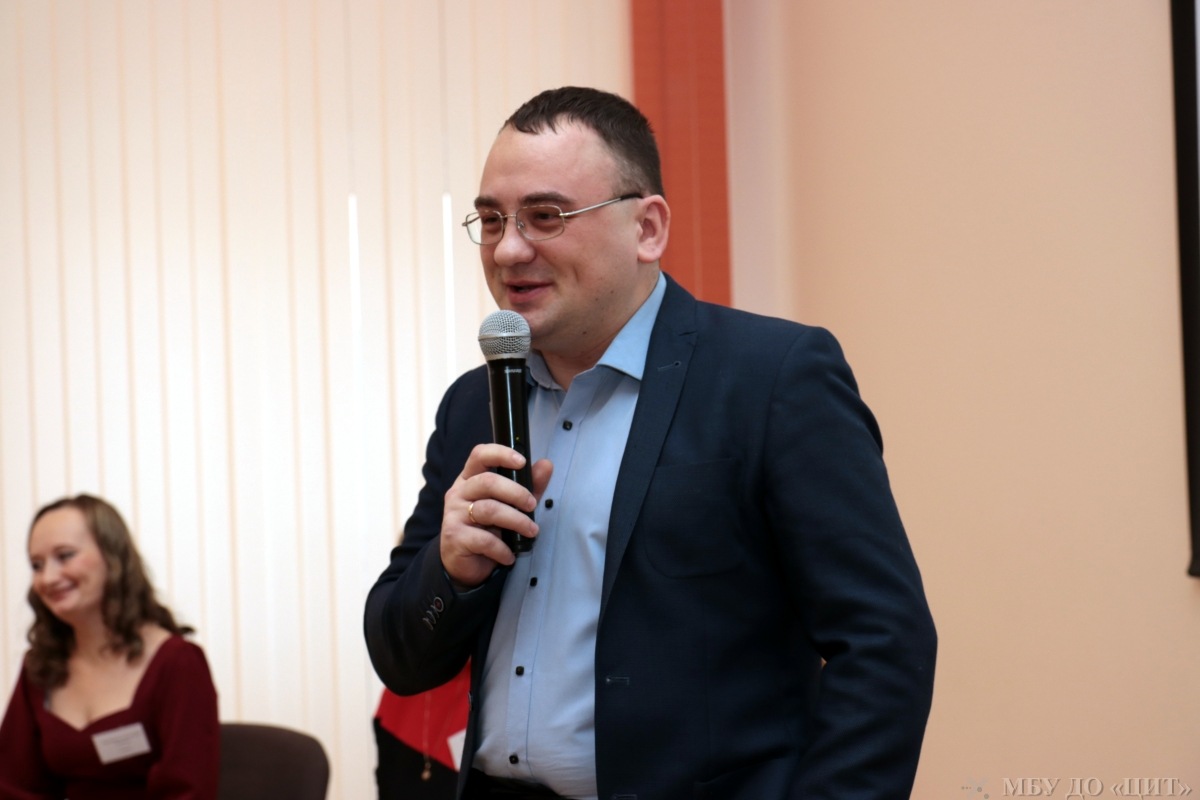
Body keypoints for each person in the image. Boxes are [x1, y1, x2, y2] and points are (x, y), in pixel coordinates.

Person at [364, 86, 937, 800]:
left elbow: (884, 645)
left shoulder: (771, 379)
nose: (508, 249)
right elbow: (401, 659)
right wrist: (450, 574)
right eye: (491, 220)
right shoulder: (471, 407)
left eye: (545, 216)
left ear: (648, 228)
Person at [0, 494, 220, 799]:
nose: (47, 577)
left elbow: (188, 792)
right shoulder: (41, 668)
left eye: (65, 556)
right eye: (37, 565)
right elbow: (13, 786)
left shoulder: (177, 662)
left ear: (112, 557)